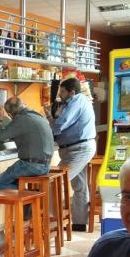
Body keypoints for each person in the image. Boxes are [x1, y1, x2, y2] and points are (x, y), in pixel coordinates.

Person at [44, 77, 96, 231]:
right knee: (79, 186)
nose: (60, 95)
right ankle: (79, 223)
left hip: (79, 149)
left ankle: (52, 223)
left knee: (54, 182)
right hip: (77, 148)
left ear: (72, 92)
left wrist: (49, 118)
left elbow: (60, 125)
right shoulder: (77, 101)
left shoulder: (76, 101)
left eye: (62, 91)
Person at [0, 96, 54, 190]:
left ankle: (26, 195)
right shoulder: (37, 115)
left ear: (10, 114)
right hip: (46, 165)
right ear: (23, 105)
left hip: (31, 166)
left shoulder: (20, 119)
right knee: (15, 180)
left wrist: (0, 117)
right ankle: (27, 195)